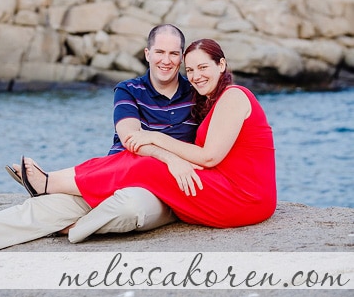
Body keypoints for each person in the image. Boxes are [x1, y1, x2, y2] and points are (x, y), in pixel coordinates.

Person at [0, 24, 199, 253]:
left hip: (161, 188)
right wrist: (171, 158)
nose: (166, 60)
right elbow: (130, 139)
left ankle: (72, 227)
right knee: (52, 207)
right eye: (159, 52)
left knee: (131, 207)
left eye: (173, 53)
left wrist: (172, 163)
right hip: (115, 174)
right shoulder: (128, 89)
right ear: (148, 54)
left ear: (182, 58)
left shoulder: (196, 95)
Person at [17, 39, 277, 230]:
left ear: (221, 65)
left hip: (244, 199)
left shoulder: (233, 96)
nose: (196, 77)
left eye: (203, 68)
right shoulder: (216, 101)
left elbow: (209, 158)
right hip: (234, 192)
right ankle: (53, 182)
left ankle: (50, 184)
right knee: (140, 160)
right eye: (190, 70)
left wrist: (155, 137)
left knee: (146, 164)